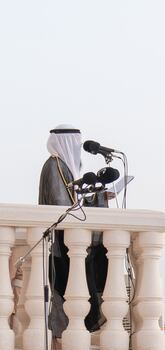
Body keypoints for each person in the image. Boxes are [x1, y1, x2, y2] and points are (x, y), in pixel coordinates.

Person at [38, 125, 107, 337]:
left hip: (73, 242)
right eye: (75, 144)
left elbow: (74, 202)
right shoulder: (54, 165)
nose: (78, 148)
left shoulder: (66, 166)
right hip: (63, 243)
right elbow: (61, 204)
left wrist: (98, 195)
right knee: (65, 291)